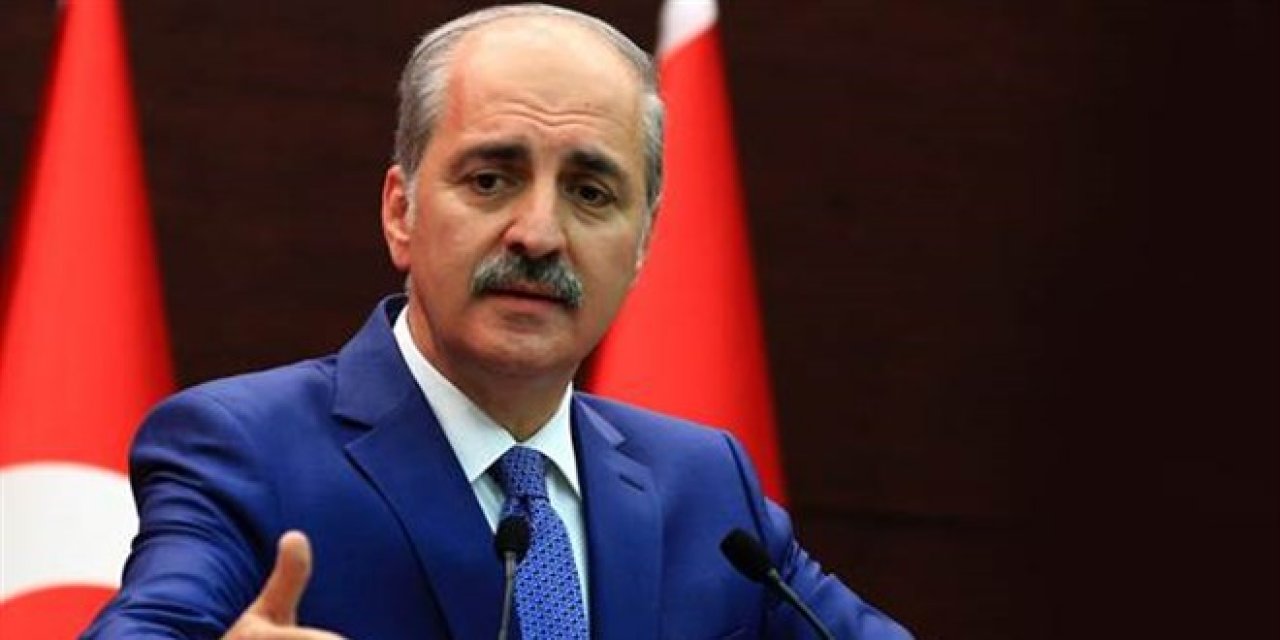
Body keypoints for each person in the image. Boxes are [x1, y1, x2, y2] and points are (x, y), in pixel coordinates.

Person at [84, 4, 911, 639]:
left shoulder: (706, 486)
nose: (539, 233)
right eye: (490, 180)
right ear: (402, 212)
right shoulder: (244, 449)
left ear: (642, 245)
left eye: (590, 193)